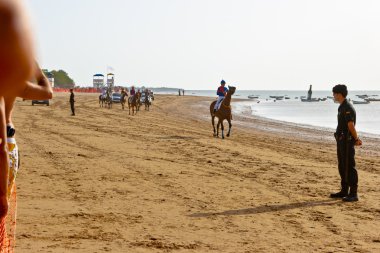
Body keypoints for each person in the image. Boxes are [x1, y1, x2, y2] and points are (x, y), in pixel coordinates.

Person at [330, 84, 362, 202]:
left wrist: (356, 138)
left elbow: (350, 125)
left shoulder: (347, 107)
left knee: (349, 166)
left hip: (347, 142)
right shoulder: (341, 107)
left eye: (334, 94)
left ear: (339, 94)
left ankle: (353, 193)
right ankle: (344, 190)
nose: (333, 96)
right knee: (342, 165)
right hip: (341, 141)